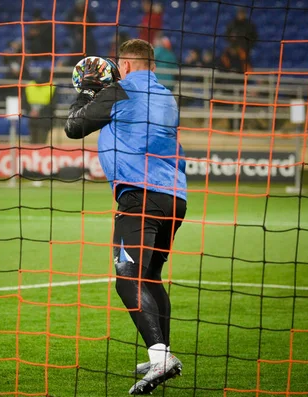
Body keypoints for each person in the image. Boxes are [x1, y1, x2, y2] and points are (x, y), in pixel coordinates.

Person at [64, 39, 187, 394]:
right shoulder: (167, 95)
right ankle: (161, 352)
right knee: (150, 277)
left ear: (127, 65)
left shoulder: (119, 91)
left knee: (126, 278)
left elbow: (73, 127)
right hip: (175, 198)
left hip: (139, 195)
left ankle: (161, 356)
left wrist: (87, 92)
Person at [24, 69, 56, 144]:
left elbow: (23, 102)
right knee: (41, 145)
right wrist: (39, 112)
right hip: (45, 120)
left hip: (31, 118)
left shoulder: (29, 85)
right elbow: (53, 105)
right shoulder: (52, 87)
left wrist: (31, 111)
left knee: (32, 143)